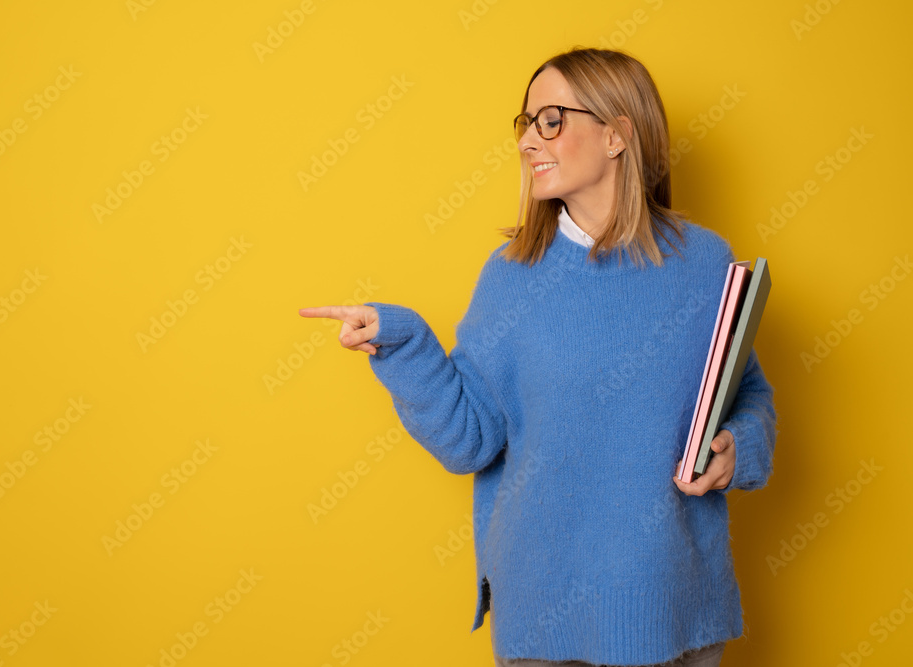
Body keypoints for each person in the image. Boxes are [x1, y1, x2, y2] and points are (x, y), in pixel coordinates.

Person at [298, 47, 777, 667]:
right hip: (545, 619)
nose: (527, 141)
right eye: (525, 123)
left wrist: (739, 447)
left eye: (550, 120)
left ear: (617, 135)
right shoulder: (512, 274)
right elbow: (469, 440)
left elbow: (746, 392)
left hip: (674, 608)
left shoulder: (706, 264)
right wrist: (405, 343)